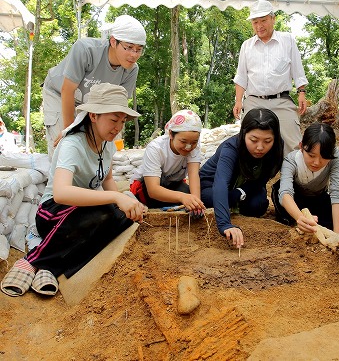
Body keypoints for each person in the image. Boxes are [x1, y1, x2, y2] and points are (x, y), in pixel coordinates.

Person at [0, 83, 146, 297]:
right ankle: (32, 261)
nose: (118, 127)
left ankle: (52, 268)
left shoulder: (109, 145)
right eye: (114, 120)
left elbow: (108, 182)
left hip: (85, 213)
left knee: (122, 218)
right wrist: (116, 197)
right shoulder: (73, 144)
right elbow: (61, 193)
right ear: (94, 115)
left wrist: (127, 203)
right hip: (53, 213)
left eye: (122, 122)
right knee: (105, 209)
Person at [42, 15, 146, 159]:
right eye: (128, 48)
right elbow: (68, 90)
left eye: (139, 49)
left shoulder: (132, 70)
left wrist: (113, 134)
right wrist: (69, 130)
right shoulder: (86, 49)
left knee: (98, 150)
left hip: (91, 104)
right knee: (64, 147)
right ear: (113, 41)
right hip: (59, 94)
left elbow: (118, 108)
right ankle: (57, 179)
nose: (134, 55)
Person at [200, 108, 284, 249]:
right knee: (214, 197)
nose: (260, 147)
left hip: (246, 187)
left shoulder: (277, 148)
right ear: (243, 134)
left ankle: (234, 201)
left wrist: (239, 193)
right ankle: (232, 203)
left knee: (258, 205)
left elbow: (263, 179)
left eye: (268, 141)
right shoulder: (231, 148)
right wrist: (225, 224)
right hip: (211, 185)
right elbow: (220, 183)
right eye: (253, 140)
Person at [233, 0, 308, 155]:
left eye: (263, 20)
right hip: (254, 101)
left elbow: (297, 71)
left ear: (273, 19)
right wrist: (238, 101)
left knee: (293, 145)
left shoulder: (288, 40)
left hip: (282, 100)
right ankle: (249, 177)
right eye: (255, 22)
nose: (259, 26)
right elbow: (241, 77)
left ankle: (291, 178)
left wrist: (301, 93)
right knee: (248, 143)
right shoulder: (246, 46)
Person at [271, 122, 339, 234]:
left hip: (317, 198)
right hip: (295, 200)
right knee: (284, 206)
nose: (316, 162)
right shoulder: (291, 160)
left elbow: (337, 192)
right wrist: (300, 217)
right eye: (311, 156)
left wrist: (337, 236)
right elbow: (285, 193)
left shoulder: (335, 156)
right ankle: (299, 222)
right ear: (301, 147)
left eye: (324, 157)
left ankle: (312, 223)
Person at [129, 109, 205, 217]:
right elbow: (153, 190)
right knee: (181, 196)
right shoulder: (156, 148)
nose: (188, 147)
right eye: (183, 142)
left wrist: (196, 202)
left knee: (189, 195)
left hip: (173, 184)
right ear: (171, 134)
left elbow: (194, 175)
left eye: (193, 142)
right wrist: (182, 198)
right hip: (147, 187)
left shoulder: (195, 148)